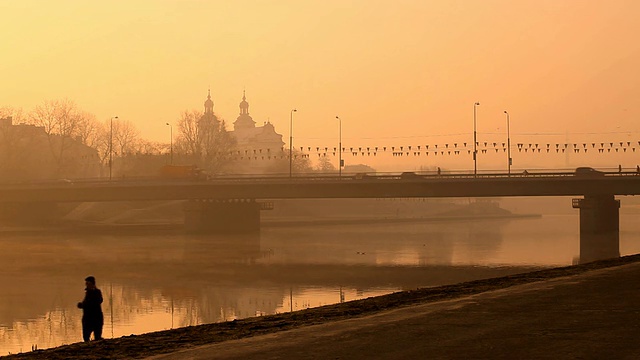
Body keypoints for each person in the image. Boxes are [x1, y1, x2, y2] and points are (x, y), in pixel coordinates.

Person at [77, 276, 104, 342]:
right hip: (88, 317)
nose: (87, 285)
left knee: (97, 336)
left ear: (92, 284)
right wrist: (82, 305)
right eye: (86, 284)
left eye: (88, 284)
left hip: (95, 317)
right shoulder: (88, 292)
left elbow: (98, 301)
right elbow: (88, 303)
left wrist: (83, 305)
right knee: (86, 337)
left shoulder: (97, 292)